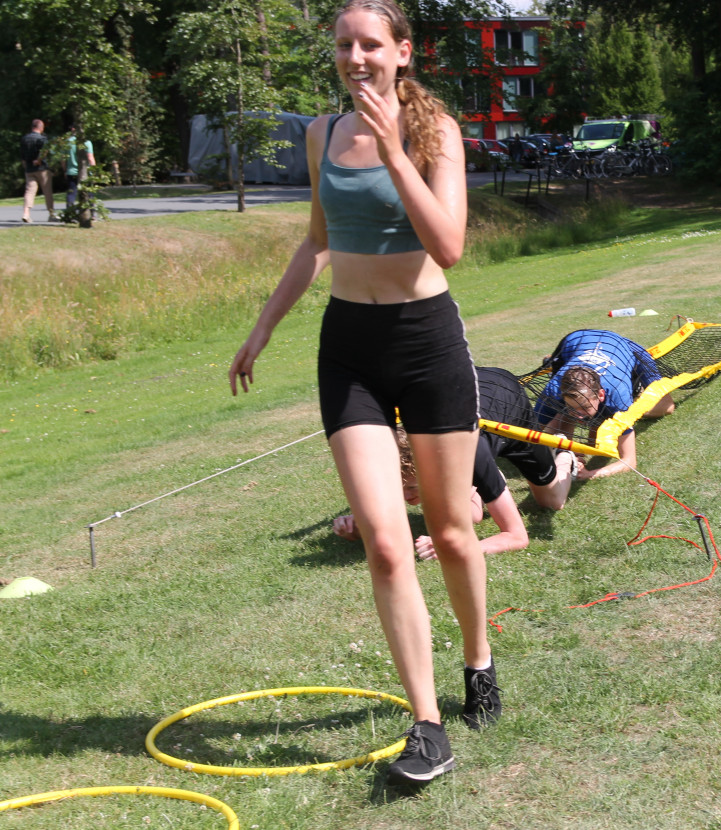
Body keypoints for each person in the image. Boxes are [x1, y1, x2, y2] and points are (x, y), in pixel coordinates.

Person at [229, 0, 493, 787]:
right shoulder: (318, 134)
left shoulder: (434, 134)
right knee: (385, 541)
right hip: (347, 348)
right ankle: (427, 723)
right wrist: (263, 326)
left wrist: (390, 147)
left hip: (426, 341)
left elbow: (448, 244)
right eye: (343, 43)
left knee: (449, 531)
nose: (354, 55)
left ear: (401, 52)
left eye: (369, 42)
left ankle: (477, 658)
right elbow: (317, 239)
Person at [334, 366, 577, 558]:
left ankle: (566, 459)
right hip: (469, 396)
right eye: (400, 488)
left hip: (506, 398)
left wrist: (457, 547)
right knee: (470, 515)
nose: (406, 499)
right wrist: (358, 527)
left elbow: (516, 536)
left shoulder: (470, 454)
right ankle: (488, 482)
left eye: (411, 488)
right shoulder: (390, 463)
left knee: (551, 501)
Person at [537, 329, 675, 479]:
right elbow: (539, 434)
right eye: (572, 407)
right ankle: (552, 363)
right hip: (577, 339)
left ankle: (633, 389)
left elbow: (629, 461)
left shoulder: (618, 397)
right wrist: (569, 452)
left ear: (601, 395)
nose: (579, 415)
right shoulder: (554, 389)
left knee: (667, 407)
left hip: (623, 347)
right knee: (563, 415)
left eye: (585, 407)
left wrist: (590, 474)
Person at [19, 119, 54, 223]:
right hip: (41, 168)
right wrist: (38, 160)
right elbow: (45, 151)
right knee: (47, 192)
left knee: (29, 191)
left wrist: (25, 165)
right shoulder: (43, 139)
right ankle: (51, 214)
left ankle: (26, 213)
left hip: (29, 169)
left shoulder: (24, 138)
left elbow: (22, 155)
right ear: (41, 128)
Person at [64, 125, 96, 212]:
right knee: (89, 193)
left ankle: (70, 213)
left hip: (71, 171)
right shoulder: (86, 142)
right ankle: (92, 213)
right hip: (85, 172)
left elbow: (63, 159)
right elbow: (90, 158)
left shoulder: (67, 142)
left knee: (71, 193)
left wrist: (65, 170)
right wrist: (94, 170)